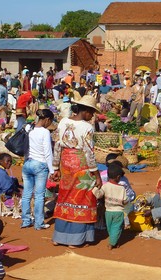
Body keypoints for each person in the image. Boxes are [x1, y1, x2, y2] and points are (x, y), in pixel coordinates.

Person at [51, 95, 102, 248]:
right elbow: (89, 153)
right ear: (85, 111)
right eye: (91, 112)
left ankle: (59, 237)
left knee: (64, 197)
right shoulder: (87, 127)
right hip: (81, 166)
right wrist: (96, 174)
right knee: (83, 198)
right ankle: (76, 239)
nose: (92, 115)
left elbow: (57, 146)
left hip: (66, 165)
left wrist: (55, 167)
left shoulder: (63, 121)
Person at [21, 109, 55, 230]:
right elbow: (47, 152)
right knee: (39, 196)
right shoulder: (45, 132)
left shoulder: (29, 129)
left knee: (26, 194)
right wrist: (52, 170)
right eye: (50, 122)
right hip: (40, 165)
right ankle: (39, 223)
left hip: (27, 163)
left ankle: (25, 220)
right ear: (47, 120)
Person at [98, 164, 128, 249]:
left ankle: (114, 241)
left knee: (110, 228)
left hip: (108, 211)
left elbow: (99, 195)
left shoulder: (105, 186)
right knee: (116, 228)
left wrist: (95, 189)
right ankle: (112, 243)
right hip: (118, 212)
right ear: (118, 177)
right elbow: (125, 200)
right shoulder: (122, 188)